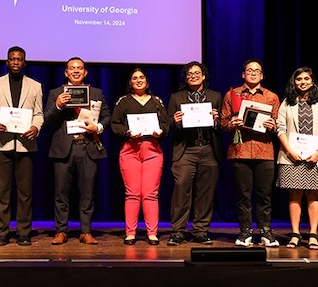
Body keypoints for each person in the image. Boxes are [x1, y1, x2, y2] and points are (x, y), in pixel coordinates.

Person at [44, 57, 111, 245]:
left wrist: (97, 127)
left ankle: (86, 231)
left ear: (85, 72)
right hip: (63, 149)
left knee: (88, 193)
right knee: (61, 193)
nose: (75, 71)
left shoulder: (96, 92)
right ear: (66, 72)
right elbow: (46, 121)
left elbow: (107, 116)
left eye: (79, 68)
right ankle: (61, 231)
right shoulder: (55, 93)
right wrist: (58, 105)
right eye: (72, 69)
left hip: (87, 146)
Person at [220, 58, 280, 247]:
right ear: (243, 74)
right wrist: (231, 124)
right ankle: (245, 231)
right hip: (240, 151)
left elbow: (279, 124)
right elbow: (222, 122)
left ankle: (265, 231)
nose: (253, 73)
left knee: (265, 195)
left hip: (265, 152)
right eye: (249, 70)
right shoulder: (233, 94)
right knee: (243, 195)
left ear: (262, 75)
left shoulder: (271, 97)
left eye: (257, 71)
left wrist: (273, 125)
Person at [0, 46, 44, 246]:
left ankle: (23, 232)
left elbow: (39, 114)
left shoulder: (35, 86)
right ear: (7, 62)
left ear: (24, 63)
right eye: (12, 59)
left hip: (25, 144)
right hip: (2, 144)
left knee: (25, 192)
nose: (15, 62)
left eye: (19, 59)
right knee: (2, 191)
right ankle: (2, 232)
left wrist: (35, 128)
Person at [276, 67, 318, 250]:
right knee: (294, 195)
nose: (303, 82)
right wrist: (290, 151)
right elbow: (280, 128)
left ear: (312, 81)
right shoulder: (287, 102)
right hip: (292, 156)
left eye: (306, 78)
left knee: (313, 194)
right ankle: (295, 234)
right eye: (299, 79)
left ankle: (313, 234)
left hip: (315, 156)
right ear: (294, 82)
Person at [166, 61, 223, 246]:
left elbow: (221, 124)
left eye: (197, 73)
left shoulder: (215, 97)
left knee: (206, 192)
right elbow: (168, 125)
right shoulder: (176, 97)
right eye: (189, 73)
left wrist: (216, 120)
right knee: (181, 189)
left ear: (203, 76)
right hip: (185, 150)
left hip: (208, 149)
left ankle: (200, 231)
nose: (193, 76)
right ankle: (178, 231)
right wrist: (174, 121)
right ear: (185, 77)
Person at [110, 68, 168, 245]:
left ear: (147, 81)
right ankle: (131, 233)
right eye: (135, 78)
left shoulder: (157, 101)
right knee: (133, 193)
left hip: (152, 150)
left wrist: (161, 131)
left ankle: (152, 233)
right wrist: (127, 132)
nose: (139, 80)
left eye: (142, 77)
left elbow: (166, 123)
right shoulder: (123, 102)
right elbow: (115, 124)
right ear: (130, 82)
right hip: (130, 150)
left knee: (150, 193)